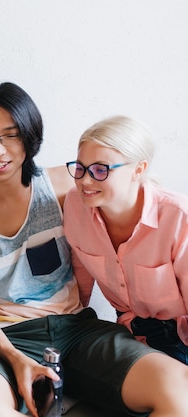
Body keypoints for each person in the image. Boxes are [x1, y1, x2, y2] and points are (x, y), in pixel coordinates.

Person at [0, 82, 188, 417]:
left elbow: (127, 196)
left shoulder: (66, 186)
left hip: (77, 330)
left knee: (178, 389)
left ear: (29, 138)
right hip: (4, 338)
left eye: (10, 135)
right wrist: (16, 360)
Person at [64, 115, 188, 364]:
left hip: (179, 338)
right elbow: (80, 284)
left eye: (100, 170)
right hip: (128, 332)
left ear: (138, 169)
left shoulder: (177, 217)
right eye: (80, 168)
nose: (85, 181)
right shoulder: (75, 206)